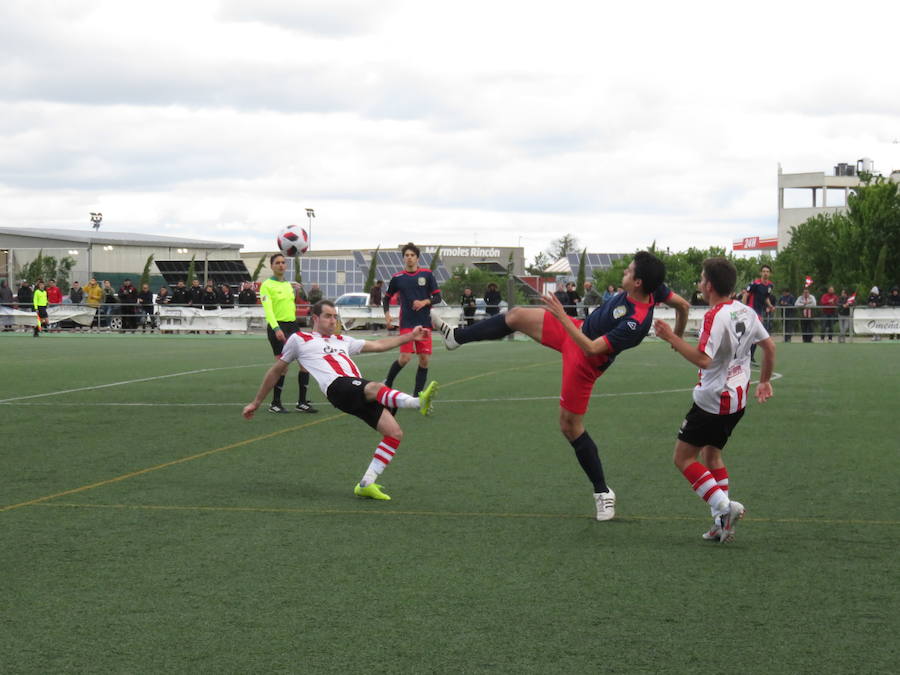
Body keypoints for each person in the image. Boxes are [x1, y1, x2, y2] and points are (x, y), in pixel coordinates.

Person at [432, 251, 690, 521]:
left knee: (569, 426)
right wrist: (678, 338)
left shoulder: (636, 322)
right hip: (577, 328)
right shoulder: (654, 288)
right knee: (517, 315)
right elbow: (683, 306)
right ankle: (456, 337)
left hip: (584, 360)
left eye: (628, 271)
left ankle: (603, 493)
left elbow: (591, 349)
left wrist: (559, 314)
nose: (624, 272)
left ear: (638, 283)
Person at [242, 300, 439, 501]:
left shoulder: (342, 339)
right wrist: (256, 402)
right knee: (377, 387)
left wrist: (411, 336)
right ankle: (417, 403)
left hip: (356, 389)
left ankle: (366, 484)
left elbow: (379, 345)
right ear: (315, 318)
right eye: (328, 316)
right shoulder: (299, 339)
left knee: (394, 433)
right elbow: (276, 370)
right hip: (336, 386)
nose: (332, 320)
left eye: (335, 316)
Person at [653, 257, 775, 544]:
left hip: (712, 400)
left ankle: (724, 507)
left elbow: (703, 360)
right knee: (712, 454)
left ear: (708, 285)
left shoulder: (715, 316)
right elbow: (769, 347)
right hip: (737, 401)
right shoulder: (745, 310)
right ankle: (723, 525)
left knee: (683, 458)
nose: (699, 282)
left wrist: (671, 336)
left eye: (700, 278)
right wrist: (765, 380)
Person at [382, 242, 442, 396]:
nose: (409, 258)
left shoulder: (427, 275)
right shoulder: (397, 278)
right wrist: (387, 314)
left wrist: (424, 302)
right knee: (405, 358)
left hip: (425, 324)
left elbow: (438, 297)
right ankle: (387, 383)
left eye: (412, 255)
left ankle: (417, 395)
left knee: (424, 360)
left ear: (417, 258)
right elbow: (386, 298)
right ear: (403, 259)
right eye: (406, 255)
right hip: (407, 323)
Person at [260, 253, 316, 413]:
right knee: (282, 367)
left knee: (305, 362)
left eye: (283, 262)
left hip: (292, 326)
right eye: (277, 262)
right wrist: (276, 328)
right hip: (277, 327)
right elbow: (268, 310)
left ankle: (302, 402)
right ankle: (275, 403)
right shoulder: (266, 286)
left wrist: (297, 291)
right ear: (271, 266)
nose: (281, 265)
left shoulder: (288, 285)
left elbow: (291, 306)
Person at [741, 264, 775, 362]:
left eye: (767, 272)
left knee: (753, 334)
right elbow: (746, 295)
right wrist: (744, 309)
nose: (765, 273)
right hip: (751, 311)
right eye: (764, 271)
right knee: (755, 334)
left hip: (759, 312)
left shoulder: (770, 285)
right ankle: (746, 356)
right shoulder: (755, 284)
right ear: (760, 273)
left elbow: (766, 297)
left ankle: (749, 356)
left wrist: (770, 306)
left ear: (770, 274)